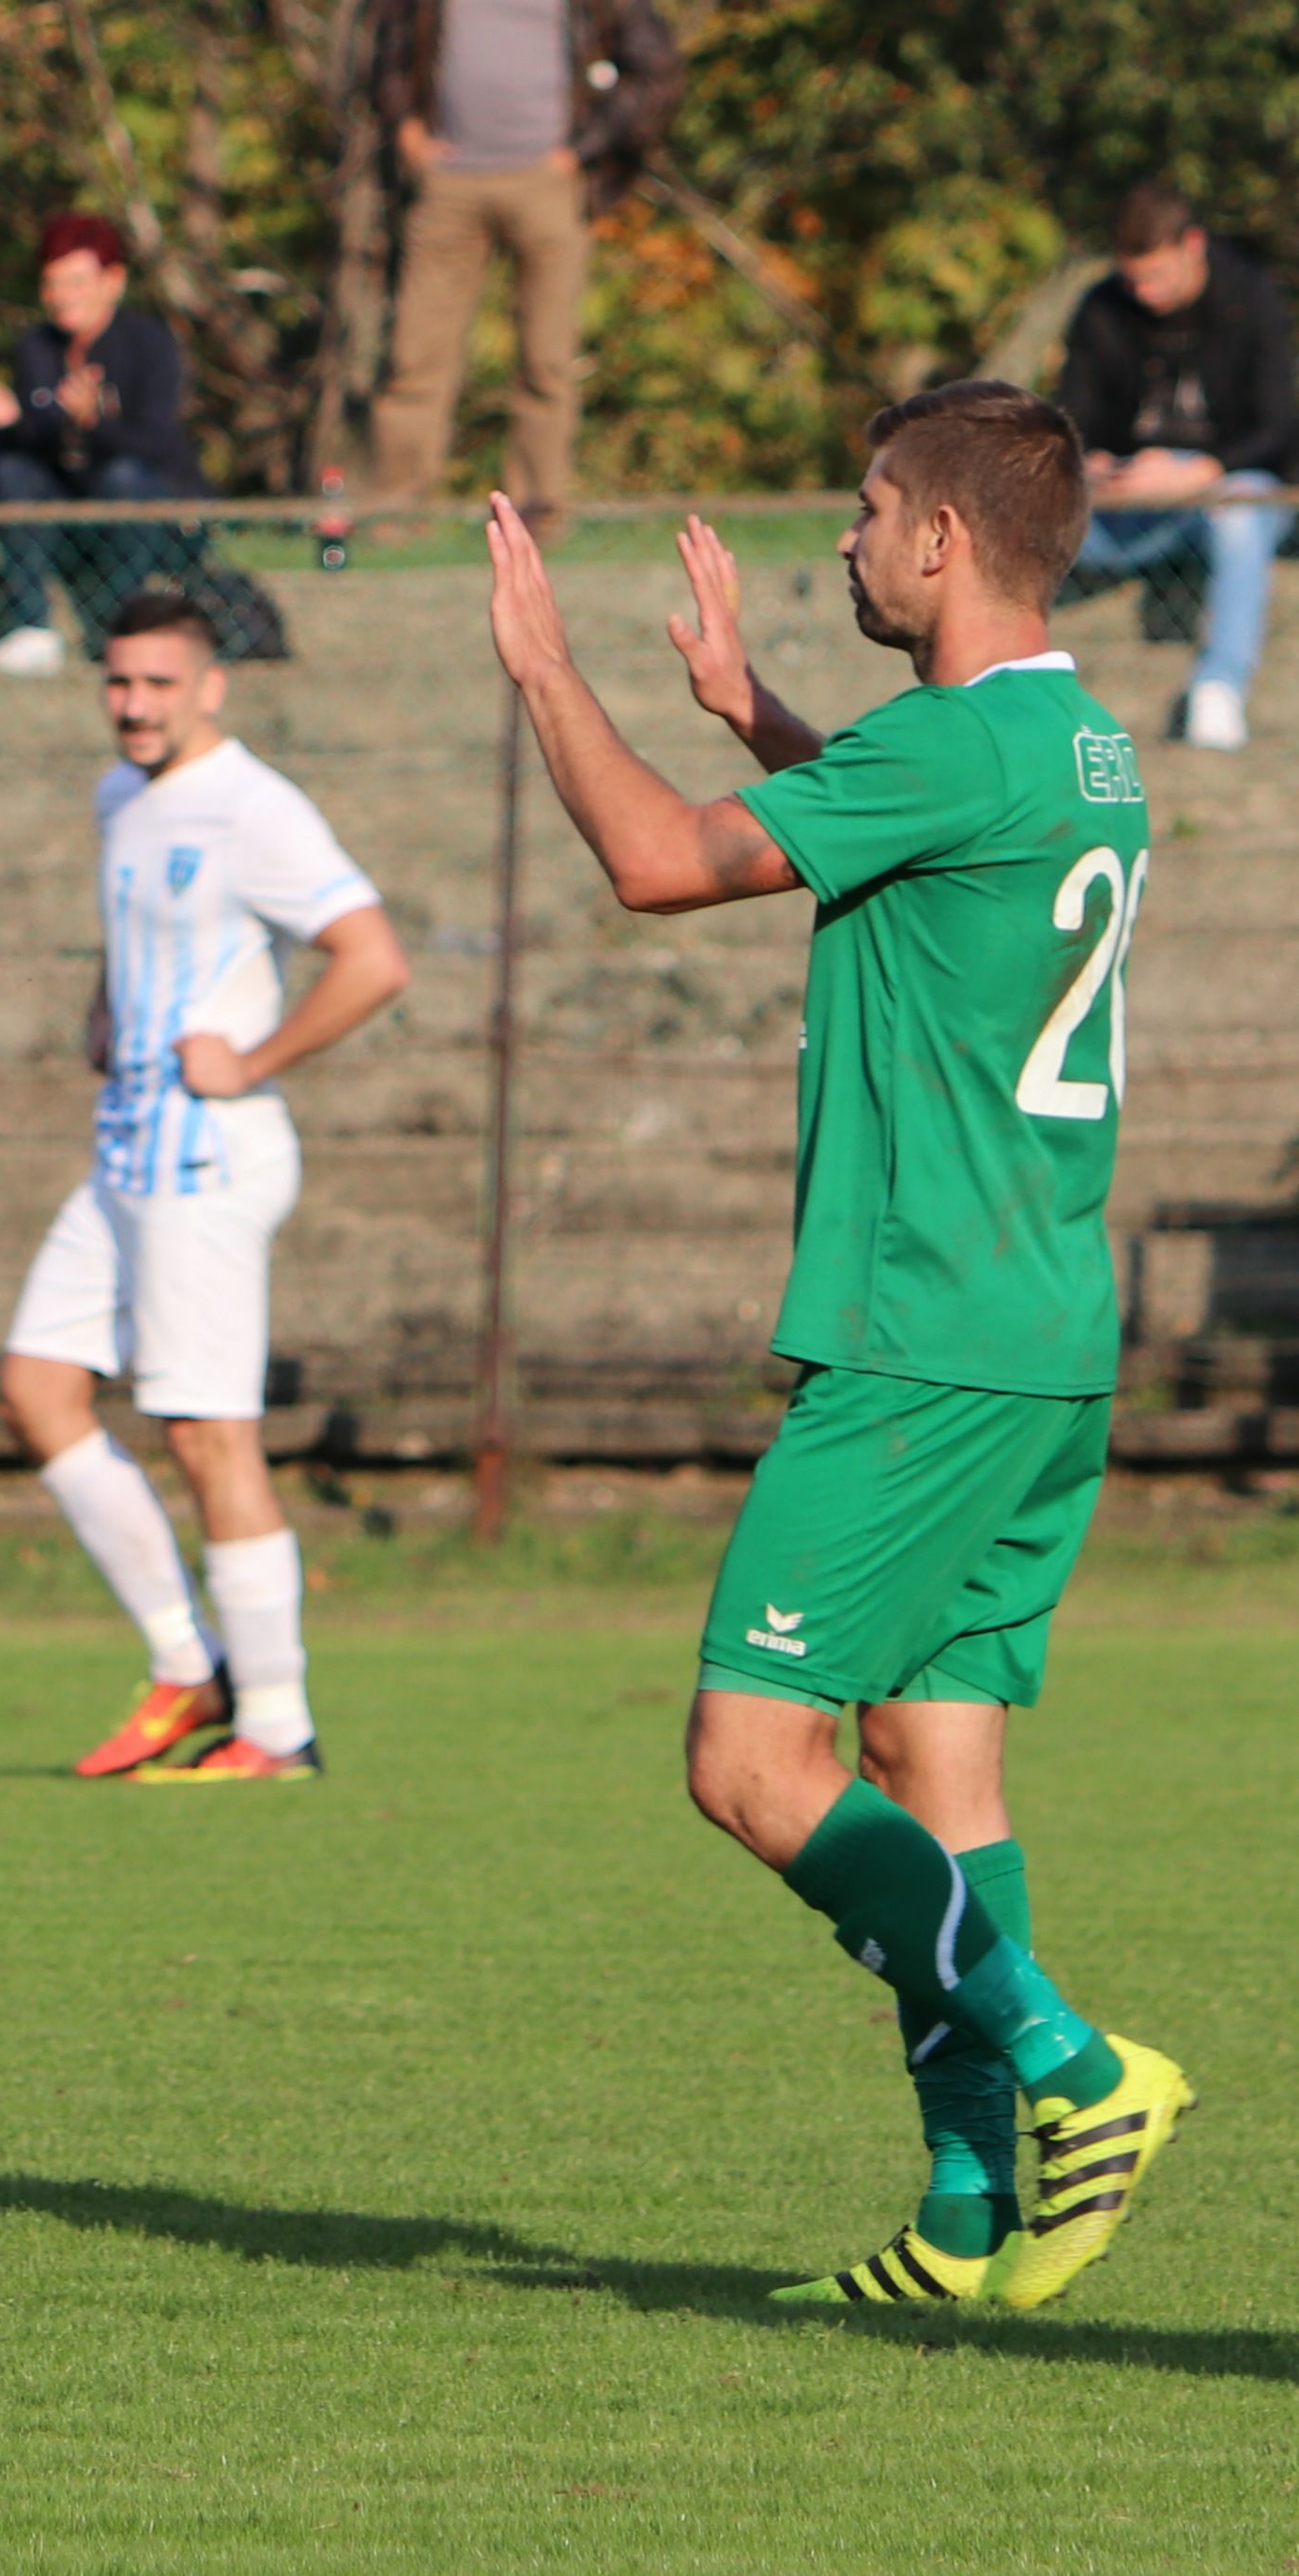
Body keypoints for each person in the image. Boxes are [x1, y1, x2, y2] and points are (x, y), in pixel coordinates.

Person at [481, 384, 1192, 2311]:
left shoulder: (947, 746)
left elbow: (654, 863)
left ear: (943, 539)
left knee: (748, 1758)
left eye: (872, 509)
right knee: (931, 1768)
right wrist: (751, 713)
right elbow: (920, 845)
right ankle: (965, 2219)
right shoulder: (1074, 741)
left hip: (920, 1338)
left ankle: (1077, 2072)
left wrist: (546, 670)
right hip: (1041, 1335)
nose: (852, 538)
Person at [0, 591, 408, 1784]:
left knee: (209, 1435)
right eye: (118, 682)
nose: (134, 706)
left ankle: (277, 1725)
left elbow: (373, 958)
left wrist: (256, 1058)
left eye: (159, 685)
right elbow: (137, 932)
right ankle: (189, 1663)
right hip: (126, 1147)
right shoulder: (119, 795)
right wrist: (105, 1010)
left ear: (211, 688)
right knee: (36, 1391)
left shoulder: (254, 808)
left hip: (208, 1161)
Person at [367, 0, 681, 523]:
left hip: (547, 183)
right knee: (415, 356)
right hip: (450, 180)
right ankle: (395, 509)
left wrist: (584, 151)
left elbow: (655, 71)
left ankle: (536, 514)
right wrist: (407, 129)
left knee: (545, 361)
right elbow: (389, 47)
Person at [1052, 182, 1294, 753]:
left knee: (1240, 505)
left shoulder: (1251, 297)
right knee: (1031, 513)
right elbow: (1071, 417)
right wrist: (1094, 464)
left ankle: (1218, 689)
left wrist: (1199, 473)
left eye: (1157, 277)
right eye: (1133, 279)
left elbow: (1278, 427)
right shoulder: (1103, 306)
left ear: (1193, 246)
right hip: (1129, 504)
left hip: (1230, 497)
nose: (1145, 292)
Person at [0, 216, 213, 668]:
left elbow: (157, 445)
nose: (61, 296)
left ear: (113, 281)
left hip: (151, 518)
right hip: (71, 519)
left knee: (124, 476)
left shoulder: (150, 342)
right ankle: (32, 627)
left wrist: (93, 422)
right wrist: (8, 423)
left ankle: (119, 625)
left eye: (76, 281)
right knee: (10, 472)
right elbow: (32, 448)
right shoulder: (36, 346)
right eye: (51, 283)